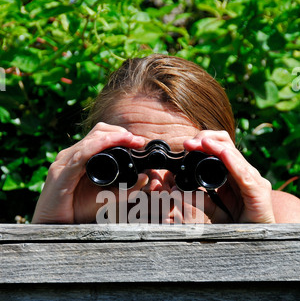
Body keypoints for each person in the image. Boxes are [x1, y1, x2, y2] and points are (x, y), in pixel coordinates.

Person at [32, 54, 300, 224]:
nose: (157, 188)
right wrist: (52, 227)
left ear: (226, 168)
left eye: (193, 170)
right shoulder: (78, 203)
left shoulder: (284, 217)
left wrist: (257, 231)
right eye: (127, 166)